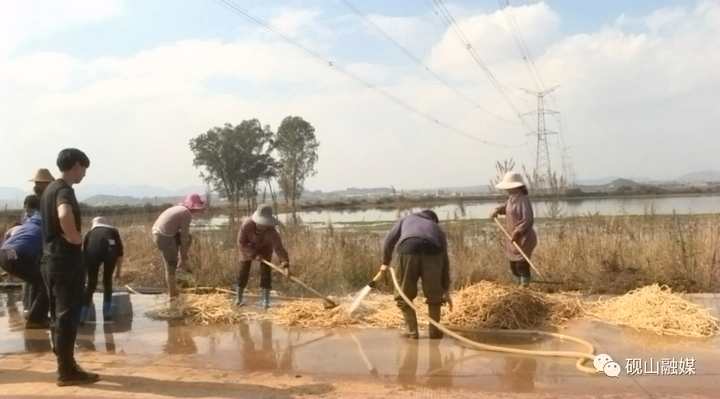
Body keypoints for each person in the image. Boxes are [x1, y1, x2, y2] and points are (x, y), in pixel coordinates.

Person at [40, 148, 99, 386]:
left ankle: (67, 365)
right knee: (67, 315)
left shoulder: (49, 190)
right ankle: (66, 371)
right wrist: (75, 238)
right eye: (83, 168)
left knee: (57, 315)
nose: (84, 174)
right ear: (75, 165)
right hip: (65, 261)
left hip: (50, 260)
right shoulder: (64, 190)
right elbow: (64, 214)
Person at [380, 210, 450, 340]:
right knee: (434, 297)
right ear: (433, 220)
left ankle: (412, 332)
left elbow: (388, 241)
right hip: (433, 251)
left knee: (403, 295)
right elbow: (445, 260)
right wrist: (445, 288)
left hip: (408, 249)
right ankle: (434, 333)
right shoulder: (437, 228)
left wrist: (385, 262)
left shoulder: (406, 219)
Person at [0, 196, 49, 329]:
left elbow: (9, 239)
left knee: (36, 280)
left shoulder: (29, 222)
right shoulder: (46, 226)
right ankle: (35, 319)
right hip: (17, 255)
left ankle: (32, 313)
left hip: (4, 253)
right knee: (47, 283)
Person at [236, 204, 290, 309]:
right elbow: (241, 243)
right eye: (261, 223)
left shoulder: (272, 232)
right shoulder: (246, 225)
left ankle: (265, 301)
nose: (263, 226)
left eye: (265, 224)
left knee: (266, 272)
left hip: (265, 249)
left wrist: (285, 265)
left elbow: (279, 248)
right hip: (247, 248)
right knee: (243, 271)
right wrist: (254, 255)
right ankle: (239, 298)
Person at [152, 193, 205, 298]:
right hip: (163, 237)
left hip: (159, 233)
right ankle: (173, 295)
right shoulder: (186, 213)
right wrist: (184, 257)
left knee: (189, 238)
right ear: (194, 207)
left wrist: (183, 255)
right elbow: (183, 238)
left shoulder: (179, 208)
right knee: (170, 265)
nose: (199, 211)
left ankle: (181, 264)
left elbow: (186, 237)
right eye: (198, 208)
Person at [490, 172, 537, 287]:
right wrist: (497, 210)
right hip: (513, 239)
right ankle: (518, 287)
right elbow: (507, 208)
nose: (507, 189)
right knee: (513, 266)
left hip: (523, 239)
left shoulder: (523, 199)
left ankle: (524, 288)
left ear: (516, 186)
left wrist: (518, 232)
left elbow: (528, 219)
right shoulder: (512, 198)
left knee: (521, 265)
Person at [81, 217, 124, 322]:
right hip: (110, 252)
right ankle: (107, 315)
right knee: (107, 282)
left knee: (91, 284)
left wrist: (83, 275)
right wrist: (118, 272)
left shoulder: (89, 233)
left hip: (92, 254)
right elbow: (120, 255)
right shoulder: (113, 231)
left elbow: (84, 253)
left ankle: (82, 317)